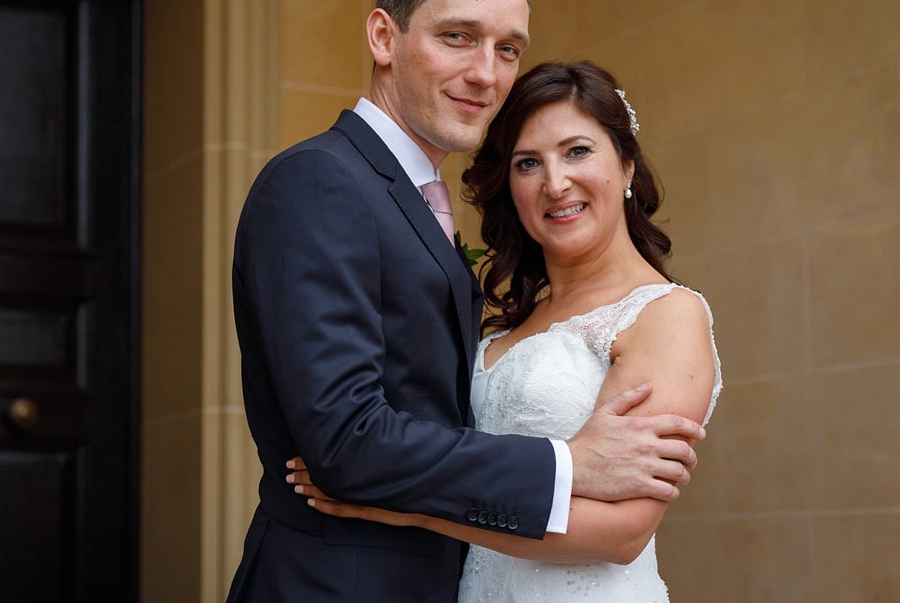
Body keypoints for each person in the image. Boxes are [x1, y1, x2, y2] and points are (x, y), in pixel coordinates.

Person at [225, 0, 706, 603]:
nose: (488, 73)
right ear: (384, 38)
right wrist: (568, 463)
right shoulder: (322, 182)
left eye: (508, 47)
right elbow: (344, 437)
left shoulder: (420, 203)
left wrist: (422, 511)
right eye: (458, 36)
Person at [288, 60, 723, 601]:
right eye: (527, 164)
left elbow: (622, 531)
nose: (555, 183)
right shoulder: (507, 324)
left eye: (577, 151)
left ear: (628, 165)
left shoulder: (667, 313)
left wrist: (410, 510)